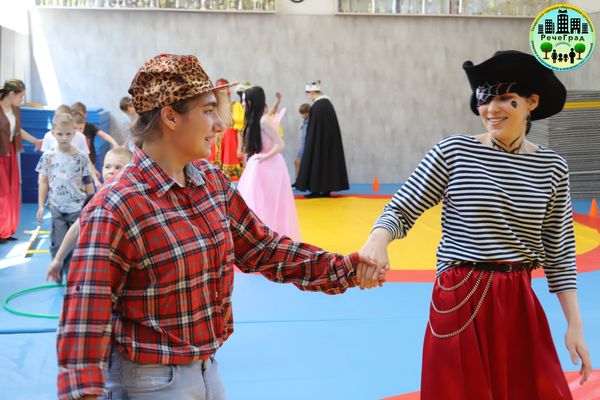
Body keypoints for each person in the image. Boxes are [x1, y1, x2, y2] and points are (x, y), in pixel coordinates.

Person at [56, 53, 387, 400]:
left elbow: (265, 249)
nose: (220, 125)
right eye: (208, 110)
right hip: (148, 382)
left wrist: (345, 268)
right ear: (170, 116)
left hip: (206, 370)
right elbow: (86, 313)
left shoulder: (210, 182)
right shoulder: (117, 205)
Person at [357, 50, 592, 399]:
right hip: (460, 295)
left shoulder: (552, 167)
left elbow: (559, 251)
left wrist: (575, 325)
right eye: (485, 98)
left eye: (506, 98)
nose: (491, 109)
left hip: (518, 300)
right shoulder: (454, 152)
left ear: (532, 102)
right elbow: (402, 207)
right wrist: (377, 241)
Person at [46, 147, 133, 284]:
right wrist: (58, 259)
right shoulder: (97, 198)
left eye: (118, 167)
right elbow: (76, 228)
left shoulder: (132, 198)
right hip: (101, 261)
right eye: (107, 166)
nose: (111, 171)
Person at [237, 86, 301, 241]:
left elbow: (280, 144)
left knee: (270, 202)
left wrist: (264, 157)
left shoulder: (264, 121)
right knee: (254, 200)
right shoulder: (254, 120)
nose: (243, 104)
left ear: (253, 101)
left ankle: (271, 236)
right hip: (259, 164)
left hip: (270, 166)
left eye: (245, 101)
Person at [36, 113, 94, 280]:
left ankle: (71, 276)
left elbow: (87, 181)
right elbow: (43, 181)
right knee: (58, 243)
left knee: (75, 245)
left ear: (74, 133)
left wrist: (91, 202)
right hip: (57, 207)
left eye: (68, 133)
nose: (64, 137)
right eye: (60, 134)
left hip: (77, 207)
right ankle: (57, 270)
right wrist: (41, 205)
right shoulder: (48, 156)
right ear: (53, 133)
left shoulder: (81, 156)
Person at [0, 79, 43, 243]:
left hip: (9, 151)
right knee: (2, 193)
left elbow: (17, 130)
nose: (22, 100)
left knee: (12, 190)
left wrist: (35, 141)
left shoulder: (14, 109)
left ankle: (7, 230)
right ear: (11, 94)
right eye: (21, 96)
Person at [295, 80, 349, 198]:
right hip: (329, 143)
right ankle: (326, 190)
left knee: (317, 162)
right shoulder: (328, 104)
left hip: (318, 143)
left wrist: (310, 142)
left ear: (312, 93)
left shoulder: (317, 106)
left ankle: (316, 189)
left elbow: (313, 129)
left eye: (308, 94)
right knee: (327, 163)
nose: (308, 97)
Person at [70, 100, 119, 166]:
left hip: (90, 160)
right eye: (75, 115)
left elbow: (104, 135)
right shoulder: (69, 130)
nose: (78, 118)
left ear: (85, 114)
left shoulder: (90, 127)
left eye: (80, 115)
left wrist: (114, 143)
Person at [294, 102, 310, 180]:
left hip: (306, 147)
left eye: (304, 113)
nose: (303, 115)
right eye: (301, 113)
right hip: (303, 147)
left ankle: (300, 180)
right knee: (297, 162)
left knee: (298, 163)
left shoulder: (310, 123)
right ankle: (298, 180)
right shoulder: (305, 122)